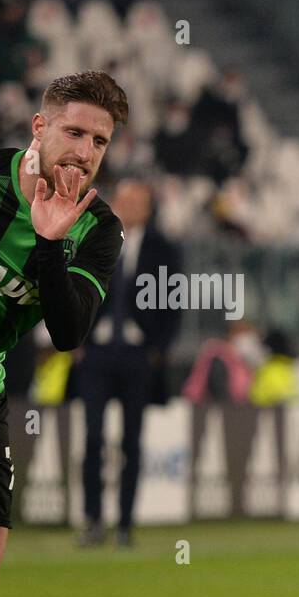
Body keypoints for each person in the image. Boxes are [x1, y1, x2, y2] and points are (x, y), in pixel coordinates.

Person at [0, 71, 127, 597]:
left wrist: (48, 243)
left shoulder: (99, 230)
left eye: (99, 141)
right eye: (73, 133)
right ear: (39, 128)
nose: (85, 152)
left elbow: (68, 333)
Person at [77, 179, 180, 548]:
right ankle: (92, 520)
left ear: (148, 207)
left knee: (132, 442)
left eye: (138, 201)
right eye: (125, 200)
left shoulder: (162, 248)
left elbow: (173, 304)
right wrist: (77, 341)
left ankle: (124, 524)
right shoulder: (93, 238)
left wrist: (157, 350)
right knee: (91, 438)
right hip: (98, 353)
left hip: (138, 356)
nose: (131, 207)